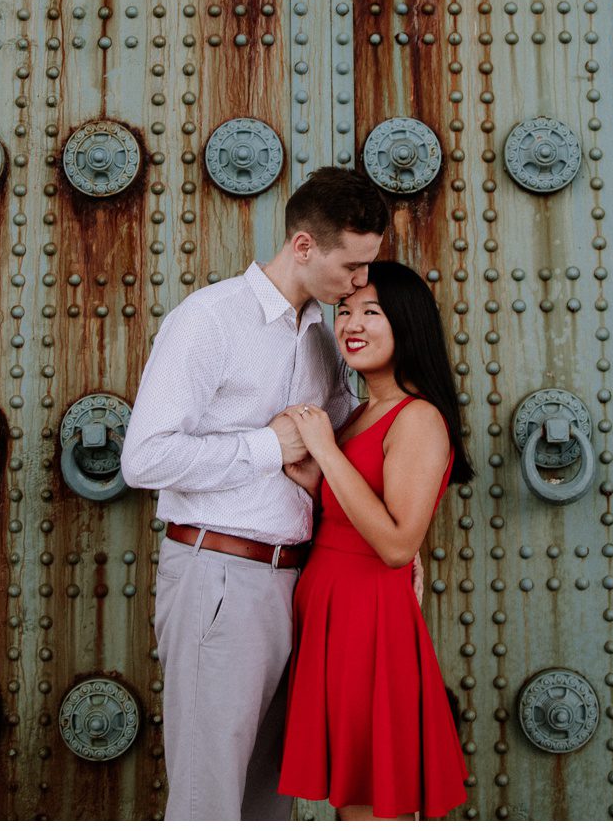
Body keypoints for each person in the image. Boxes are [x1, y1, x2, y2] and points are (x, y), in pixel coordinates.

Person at [118, 166, 392, 820]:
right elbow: (145, 458)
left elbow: (330, 463)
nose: (360, 283)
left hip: (295, 586)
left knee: (271, 800)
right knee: (208, 798)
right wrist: (270, 446)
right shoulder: (209, 320)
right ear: (304, 247)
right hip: (220, 578)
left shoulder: (322, 341)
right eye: (352, 267)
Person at [277, 260, 473, 821]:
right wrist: (320, 483)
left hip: (367, 617)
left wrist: (327, 453)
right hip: (332, 609)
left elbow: (395, 544)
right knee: (352, 794)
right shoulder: (365, 411)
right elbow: (359, 509)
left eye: (371, 311)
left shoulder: (418, 419)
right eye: (344, 311)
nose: (351, 324)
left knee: (371, 797)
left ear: (406, 323)